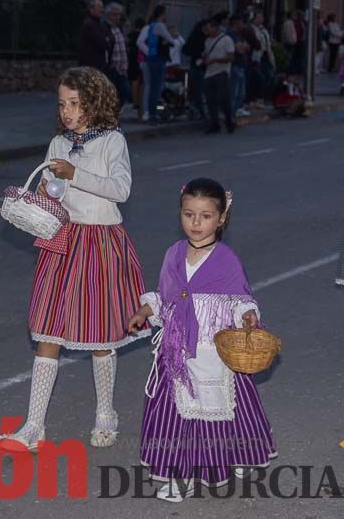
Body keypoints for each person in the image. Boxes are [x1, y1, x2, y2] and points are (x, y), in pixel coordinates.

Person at [0, 67, 147, 452]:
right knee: (48, 331)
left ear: (94, 103)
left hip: (100, 241)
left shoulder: (113, 141)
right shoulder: (57, 144)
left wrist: (75, 174)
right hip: (62, 240)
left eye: (75, 104)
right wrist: (51, 189)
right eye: (62, 104)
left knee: (100, 334)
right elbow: (56, 197)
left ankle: (105, 413)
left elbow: (121, 190)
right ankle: (33, 425)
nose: (67, 111)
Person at [128, 179, 275, 502]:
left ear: (221, 218)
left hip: (215, 352)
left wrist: (248, 315)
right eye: (189, 214)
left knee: (226, 408)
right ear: (180, 214)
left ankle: (233, 456)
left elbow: (241, 300)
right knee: (174, 415)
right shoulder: (173, 254)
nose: (196, 223)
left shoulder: (226, 260)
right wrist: (144, 311)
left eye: (206, 216)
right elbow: (164, 297)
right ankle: (180, 475)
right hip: (176, 354)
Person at [201, 15, 236, 134]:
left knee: (223, 99)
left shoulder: (227, 40)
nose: (207, 31)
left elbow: (230, 57)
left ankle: (229, 121)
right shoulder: (207, 41)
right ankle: (214, 124)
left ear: (216, 28)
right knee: (210, 100)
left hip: (222, 72)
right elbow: (206, 54)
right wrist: (205, 59)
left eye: (209, 28)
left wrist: (215, 60)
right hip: (209, 73)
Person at [139, 5, 173, 123]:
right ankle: (152, 114)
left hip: (150, 59)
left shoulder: (150, 26)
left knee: (151, 87)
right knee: (155, 88)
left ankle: (149, 112)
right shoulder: (159, 26)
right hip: (157, 59)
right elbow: (171, 40)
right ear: (162, 14)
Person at [104, 3, 132, 110]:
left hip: (121, 68)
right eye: (114, 15)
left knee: (125, 92)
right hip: (111, 67)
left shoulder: (119, 28)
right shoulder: (105, 27)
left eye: (118, 15)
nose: (117, 17)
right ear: (108, 15)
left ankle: (113, 113)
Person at [78, 0, 110, 71]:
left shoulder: (101, 23)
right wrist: (106, 40)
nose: (102, 10)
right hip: (90, 65)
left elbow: (111, 38)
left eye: (102, 7)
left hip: (99, 64)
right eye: (99, 7)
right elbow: (102, 42)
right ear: (91, 9)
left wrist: (107, 40)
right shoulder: (89, 24)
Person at [251, 11, 274, 105]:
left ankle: (264, 96)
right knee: (260, 77)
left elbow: (267, 42)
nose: (260, 20)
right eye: (258, 17)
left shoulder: (264, 29)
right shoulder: (252, 29)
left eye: (261, 17)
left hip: (266, 55)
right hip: (257, 56)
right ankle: (258, 96)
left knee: (269, 75)